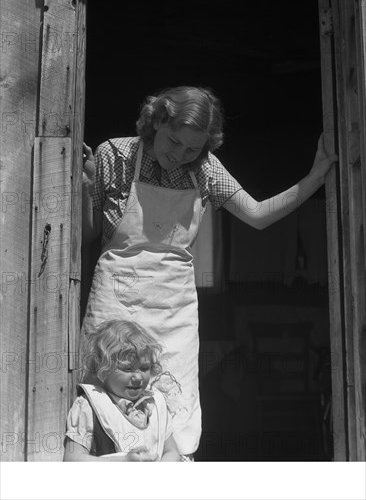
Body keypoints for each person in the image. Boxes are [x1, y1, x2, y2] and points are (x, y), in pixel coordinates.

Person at [81, 85, 338, 458]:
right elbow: (88, 236)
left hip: (173, 305)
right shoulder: (115, 155)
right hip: (117, 297)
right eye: (174, 142)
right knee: (105, 393)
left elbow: (259, 215)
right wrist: (87, 189)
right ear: (157, 122)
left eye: (193, 148)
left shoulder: (203, 169)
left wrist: (315, 176)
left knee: (173, 401)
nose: (180, 155)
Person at [64, 319, 180, 461]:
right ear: (104, 369)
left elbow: (172, 451)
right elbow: (72, 460)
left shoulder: (155, 404)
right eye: (127, 369)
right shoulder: (90, 406)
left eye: (144, 368)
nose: (138, 377)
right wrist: (124, 461)